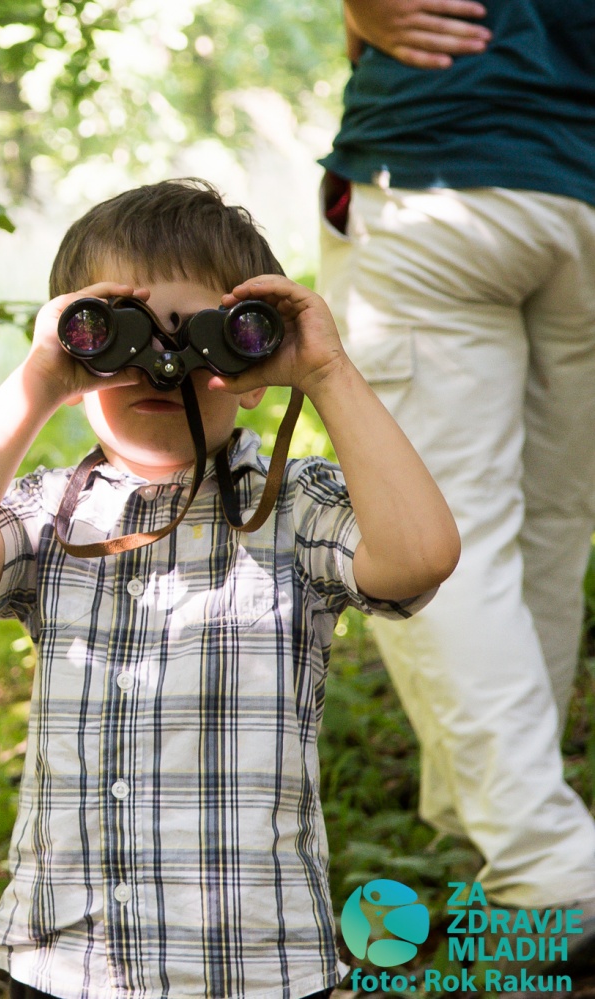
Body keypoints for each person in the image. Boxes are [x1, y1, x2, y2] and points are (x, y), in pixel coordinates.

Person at [0, 179, 460, 999]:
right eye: (113, 333)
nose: (159, 362)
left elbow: (419, 556)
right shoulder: (54, 514)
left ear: (255, 358)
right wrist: (40, 377)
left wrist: (327, 372)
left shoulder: (294, 507)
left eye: (206, 334)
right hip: (66, 961)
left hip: (254, 966)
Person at [317, 0, 595, 945]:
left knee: (435, 531)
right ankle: (506, 820)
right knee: (550, 526)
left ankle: (546, 862)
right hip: (581, 191)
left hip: (438, 165)